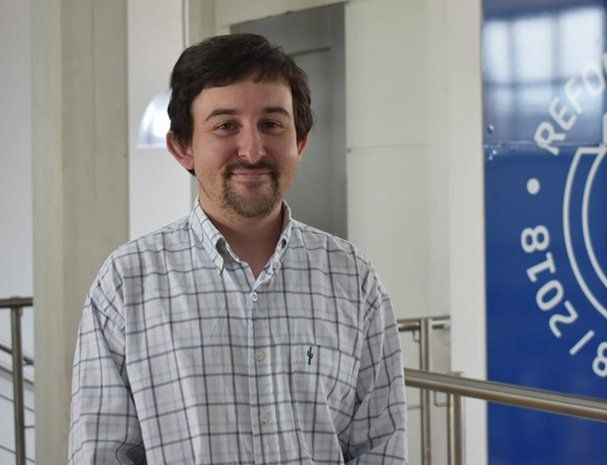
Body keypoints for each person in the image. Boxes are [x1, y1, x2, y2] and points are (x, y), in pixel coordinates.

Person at [68, 33, 407, 465]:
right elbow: (102, 453)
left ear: (299, 142)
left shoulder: (352, 277)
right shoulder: (127, 282)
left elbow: (380, 445)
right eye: (226, 126)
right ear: (182, 147)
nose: (252, 150)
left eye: (272, 124)